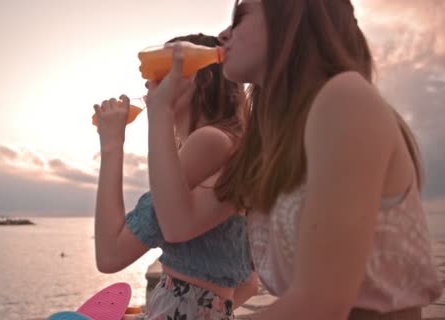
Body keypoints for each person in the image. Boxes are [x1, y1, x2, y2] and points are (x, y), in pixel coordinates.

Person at [146, 1, 443, 319]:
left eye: (240, 18)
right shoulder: (268, 139)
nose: (223, 34)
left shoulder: (345, 99)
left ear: (292, 18)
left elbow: (320, 305)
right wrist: (159, 114)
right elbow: (176, 224)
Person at [93, 33, 258, 320]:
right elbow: (249, 283)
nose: (148, 79)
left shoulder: (212, 140)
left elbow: (110, 254)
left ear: (200, 79)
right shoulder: (226, 141)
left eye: (162, 66)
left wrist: (111, 145)